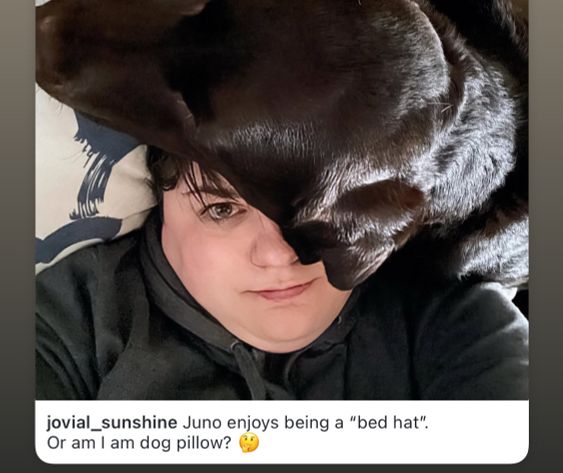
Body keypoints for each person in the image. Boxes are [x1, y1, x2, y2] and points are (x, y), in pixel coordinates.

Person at [36, 151, 529, 401]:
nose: (279, 254)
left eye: (317, 199)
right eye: (223, 208)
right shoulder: (71, 321)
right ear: (161, 204)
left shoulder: (447, 308)